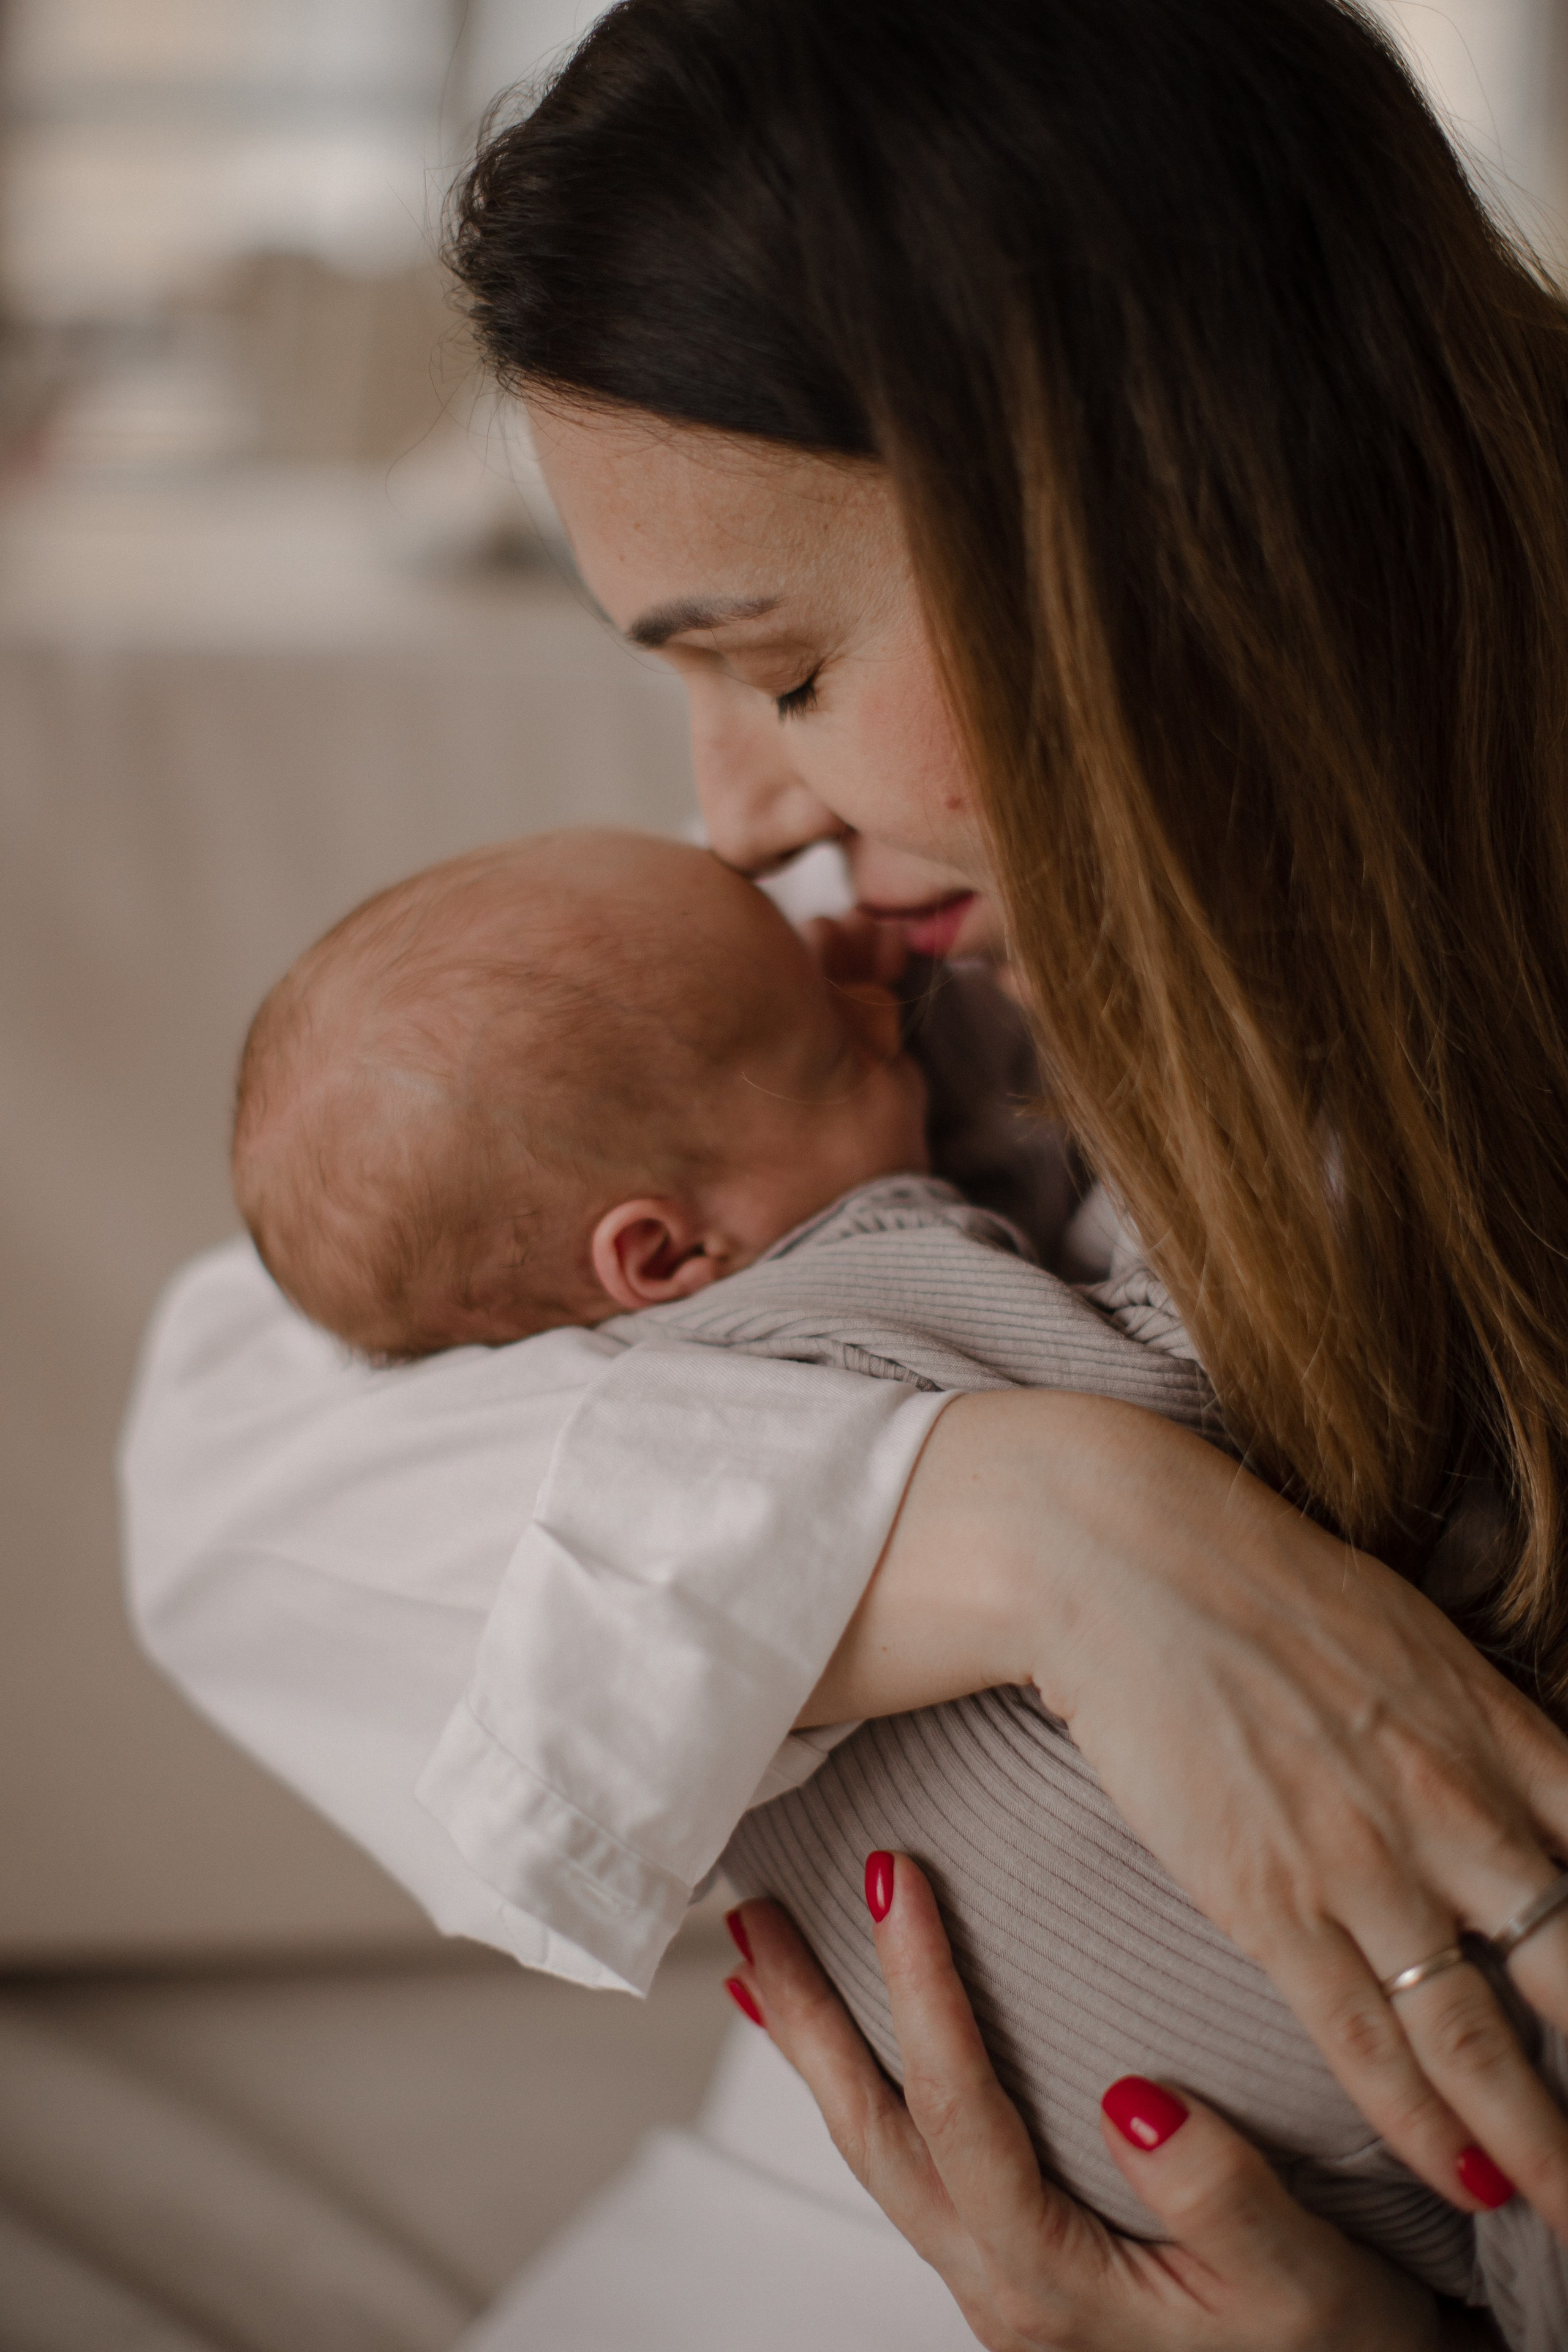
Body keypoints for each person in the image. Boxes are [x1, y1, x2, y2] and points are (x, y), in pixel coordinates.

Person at [118, 0, 1568, 2342]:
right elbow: (251, 1427)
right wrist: (1052, 1534)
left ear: (1162, 523)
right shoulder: (880, 985)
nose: (736, 813)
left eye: (778, 670)